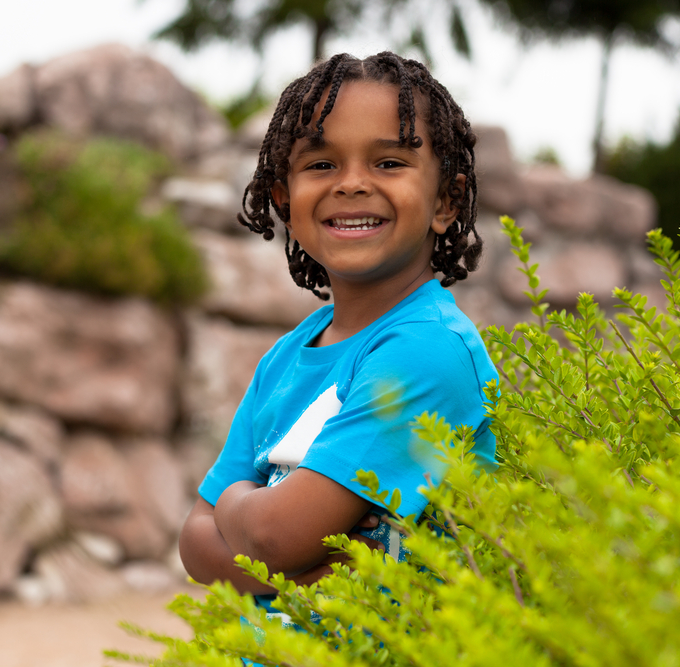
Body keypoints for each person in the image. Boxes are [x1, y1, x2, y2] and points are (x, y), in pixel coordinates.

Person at [178, 52, 498, 615]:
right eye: (321, 164)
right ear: (284, 199)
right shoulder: (286, 356)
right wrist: (288, 574)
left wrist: (234, 503)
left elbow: (277, 536)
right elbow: (192, 542)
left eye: (390, 162)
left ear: (446, 201)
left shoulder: (427, 351)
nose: (352, 184)